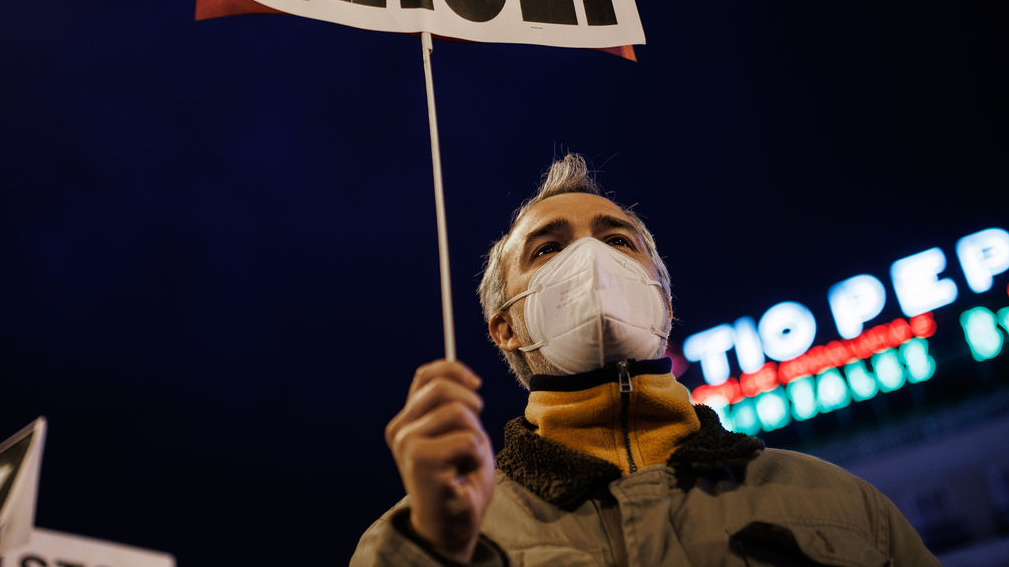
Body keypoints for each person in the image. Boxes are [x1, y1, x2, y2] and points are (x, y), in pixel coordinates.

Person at [351, 154, 938, 566]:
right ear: (504, 326)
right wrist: (430, 554)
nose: (589, 259)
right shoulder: (428, 529)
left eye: (617, 240)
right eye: (549, 248)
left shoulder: (839, 503)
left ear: (662, 298)